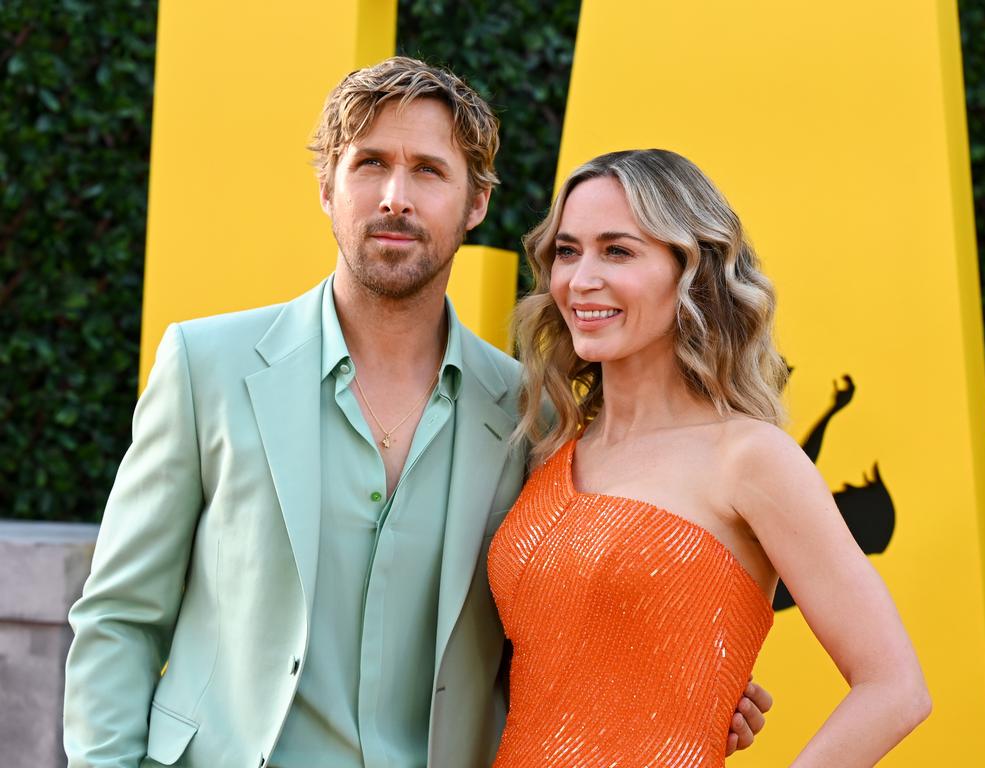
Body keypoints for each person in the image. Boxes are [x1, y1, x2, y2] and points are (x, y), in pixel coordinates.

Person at [62, 60, 769, 768]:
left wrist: (685, 680)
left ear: (476, 202)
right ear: (327, 188)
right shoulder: (206, 366)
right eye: (369, 164)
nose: (395, 197)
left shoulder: (533, 414)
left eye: (429, 171)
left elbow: (562, 625)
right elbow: (120, 617)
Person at [489, 149, 931, 767]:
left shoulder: (749, 458)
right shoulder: (550, 449)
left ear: (690, 271)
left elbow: (895, 688)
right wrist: (678, 684)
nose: (580, 278)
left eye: (618, 251)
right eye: (567, 250)